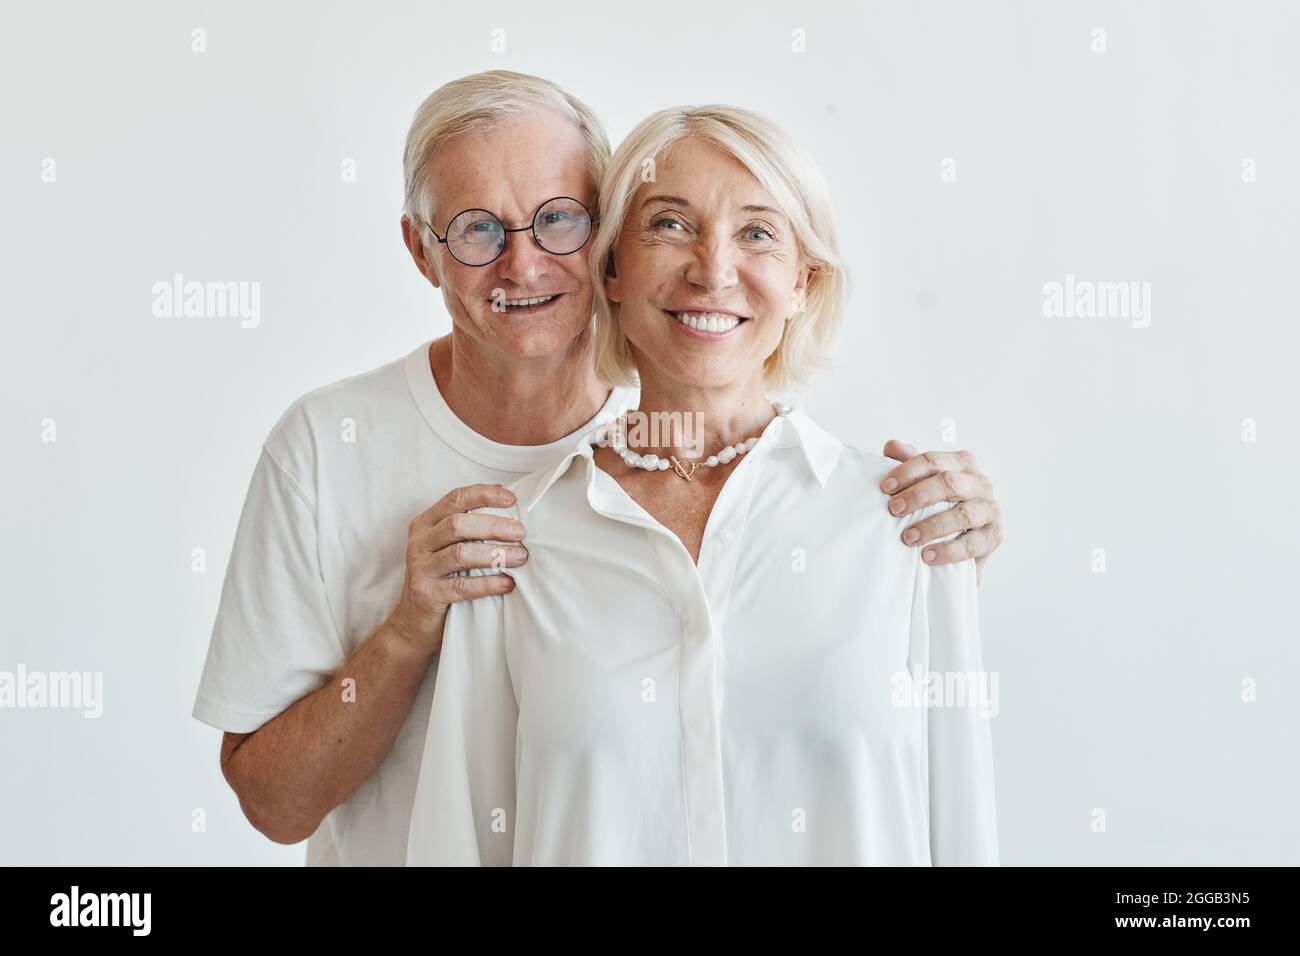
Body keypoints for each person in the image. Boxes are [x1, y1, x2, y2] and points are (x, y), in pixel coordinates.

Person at [191, 71, 1003, 867]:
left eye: (557, 220)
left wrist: (950, 545)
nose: (522, 265)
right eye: (477, 228)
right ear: (420, 249)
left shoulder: (854, 497)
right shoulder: (378, 471)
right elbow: (277, 803)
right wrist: (410, 626)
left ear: (600, 244)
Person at [406, 104, 998, 866]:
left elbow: (960, 821)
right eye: (671, 226)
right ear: (610, 269)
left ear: (801, 283)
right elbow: (460, 839)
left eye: (757, 233)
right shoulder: (515, 539)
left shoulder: (909, 523)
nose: (713, 270)